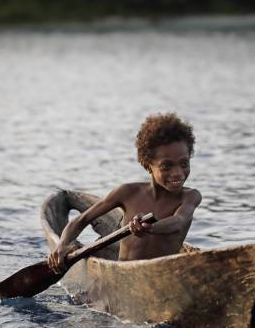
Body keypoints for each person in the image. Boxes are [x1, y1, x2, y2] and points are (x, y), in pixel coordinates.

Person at [47, 112, 202, 273]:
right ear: (148, 165)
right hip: (122, 274)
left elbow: (178, 221)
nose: (178, 173)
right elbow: (82, 219)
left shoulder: (190, 196)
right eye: (166, 166)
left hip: (161, 275)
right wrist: (62, 244)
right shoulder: (127, 192)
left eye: (184, 163)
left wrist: (150, 228)